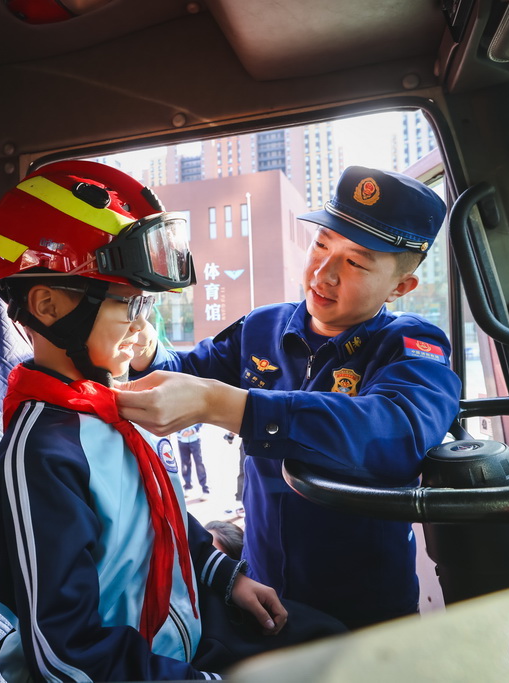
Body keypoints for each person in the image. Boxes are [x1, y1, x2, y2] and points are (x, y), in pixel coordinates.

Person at [0, 160, 340, 681]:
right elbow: (64, 652)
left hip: (182, 633)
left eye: (145, 305)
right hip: (127, 666)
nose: (143, 328)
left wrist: (225, 576)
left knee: (335, 643)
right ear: (48, 306)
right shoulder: (42, 456)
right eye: (127, 304)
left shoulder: (120, 408)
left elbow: (163, 519)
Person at [117, 166, 463, 630]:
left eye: (356, 263)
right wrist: (146, 352)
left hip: (365, 609)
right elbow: (186, 371)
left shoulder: (410, 345)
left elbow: (397, 430)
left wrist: (229, 406)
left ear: (400, 286)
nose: (324, 273)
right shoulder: (263, 326)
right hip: (264, 589)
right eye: (321, 245)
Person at [177, 423, 210, 499]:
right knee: (185, 464)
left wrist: (194, 430)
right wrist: (181, 431)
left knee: (199, 463)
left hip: (195, 439)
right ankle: (187, 486)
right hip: (182, 440)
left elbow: (202, 420)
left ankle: (205, 489)